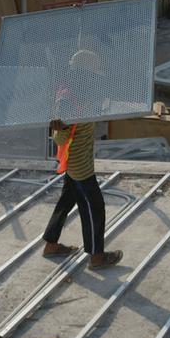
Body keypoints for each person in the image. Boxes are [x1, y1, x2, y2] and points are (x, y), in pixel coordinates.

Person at [43, 50, 123, 269]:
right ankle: (96, 257)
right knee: (93, 207)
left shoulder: (83, 91)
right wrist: (59, 127)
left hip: (78, 160)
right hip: (79, 163)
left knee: (67, 200)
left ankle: (51, 244)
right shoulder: (68, 97)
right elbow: (60, 136)